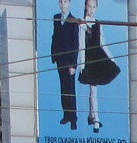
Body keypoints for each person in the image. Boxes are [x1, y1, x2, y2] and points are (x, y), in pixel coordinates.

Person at [78, 0, 120, 133]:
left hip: (98, 57)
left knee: (94, 89)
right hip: (89, 59)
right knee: (93, 89)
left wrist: (112, 58)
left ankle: (92, 117)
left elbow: (103, 43)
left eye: (94, 7)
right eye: (89, 6)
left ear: (97, 8)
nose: (91, 9)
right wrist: (82, 64)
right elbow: (81, 46)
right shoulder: (82, 24)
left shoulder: (98, 24)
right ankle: (96, 119)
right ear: (85, 7)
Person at [51, 0, 80, 130]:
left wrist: (73, 65)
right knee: (63, 88)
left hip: (69, 61)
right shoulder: (56, 18)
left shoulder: (73, 20)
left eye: (65, 2)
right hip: (60, 60)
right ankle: (66, 115)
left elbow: (75, 44)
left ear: (69, 4)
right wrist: (54, 55)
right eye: (61, 2)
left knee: (70, 89)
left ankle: (73, 118)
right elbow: (55, 36)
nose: (62, 4)